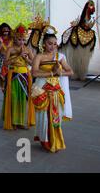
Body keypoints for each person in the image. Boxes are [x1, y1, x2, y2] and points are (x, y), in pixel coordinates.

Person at [31, 24, 73, 153]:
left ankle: (56, 139)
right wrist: (51, 73)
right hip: (42, 90)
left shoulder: (59, 57)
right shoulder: (39, 57)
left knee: (56, 116)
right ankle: (45, 140)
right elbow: (34, 73)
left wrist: (60, 73)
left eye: (55, 44)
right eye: (50, 43)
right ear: (44, 44)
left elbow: (70, 71)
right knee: (43, 116)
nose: (53, 46)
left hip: (55, 90)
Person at [2, 24, 35, 130]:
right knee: (13, 97)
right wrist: (18, 56)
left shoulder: (27, 49)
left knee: (22, 98)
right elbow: (5, 63)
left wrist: (26, 59)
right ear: (14, 38)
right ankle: (12, 121)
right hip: (13, 75)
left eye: (23, 39)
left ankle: (20, 121)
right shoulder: (10, 49)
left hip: (25, 75)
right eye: (19, 39)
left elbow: (34, 63)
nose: (21, 42)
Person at [0, 23, 12, 90]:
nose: (6, 32)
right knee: (0, 76)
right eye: (4, 30)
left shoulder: (11, 39)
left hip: (10, 59)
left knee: (9, 77)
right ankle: (3, 89)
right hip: (1, 58)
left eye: (7, 30)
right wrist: (1, 43)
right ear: (1, 31)